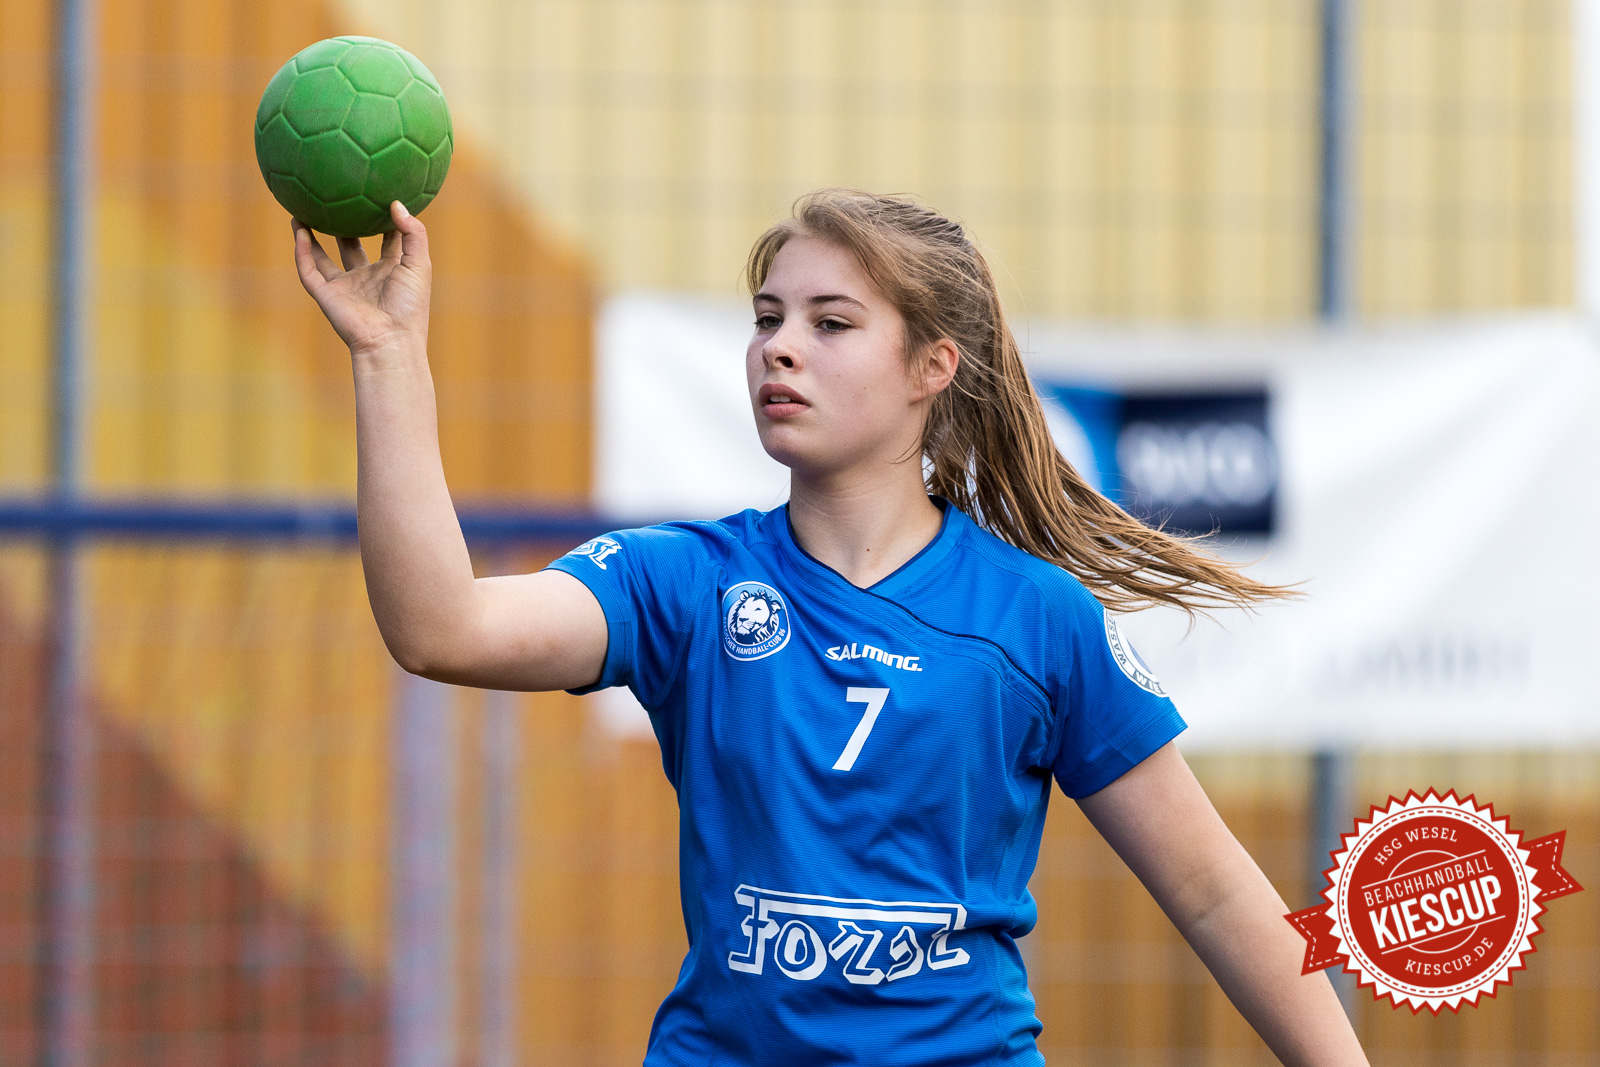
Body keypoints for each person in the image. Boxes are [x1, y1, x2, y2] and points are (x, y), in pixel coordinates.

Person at [290, 190, 1369, 1066]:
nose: (779, 348)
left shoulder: (1032, 618)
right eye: (767, 318)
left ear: (930, 368)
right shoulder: (689, 581)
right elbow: (442, 626)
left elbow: (1214, 887)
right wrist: (388, 355)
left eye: (829, 322)